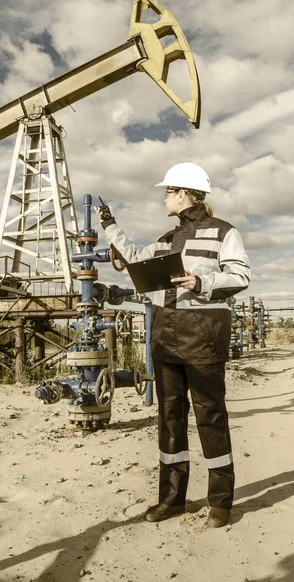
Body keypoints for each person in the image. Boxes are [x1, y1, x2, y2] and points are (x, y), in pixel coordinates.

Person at [95, 162, 250, 528]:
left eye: (168, 191)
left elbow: (241, 275)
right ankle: (172, 499)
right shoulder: (166, 240)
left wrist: (200, 282)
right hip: (165, 336)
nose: (164, 197)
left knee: (210, 416)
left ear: (184, 194)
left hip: (204, 337)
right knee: (169, 417)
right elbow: (133, 257)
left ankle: (220, 502)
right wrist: (109, 225)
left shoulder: (224, 232)